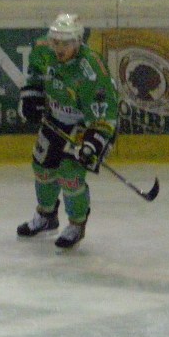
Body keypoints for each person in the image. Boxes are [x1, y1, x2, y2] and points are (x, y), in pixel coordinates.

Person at [15, 13, 119, 249]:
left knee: (70, 174)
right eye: (56, 42)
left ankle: (76, 224)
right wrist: (31, 96)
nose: (60, 48)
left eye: (66, 43)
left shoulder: (91, 69)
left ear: (78, 42)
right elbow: (35, 73)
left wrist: (93, 143)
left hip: (89, 125)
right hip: (55, 119)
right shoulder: (43, 50)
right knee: (42, 167)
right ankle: (46, 216)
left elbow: (105, 114)